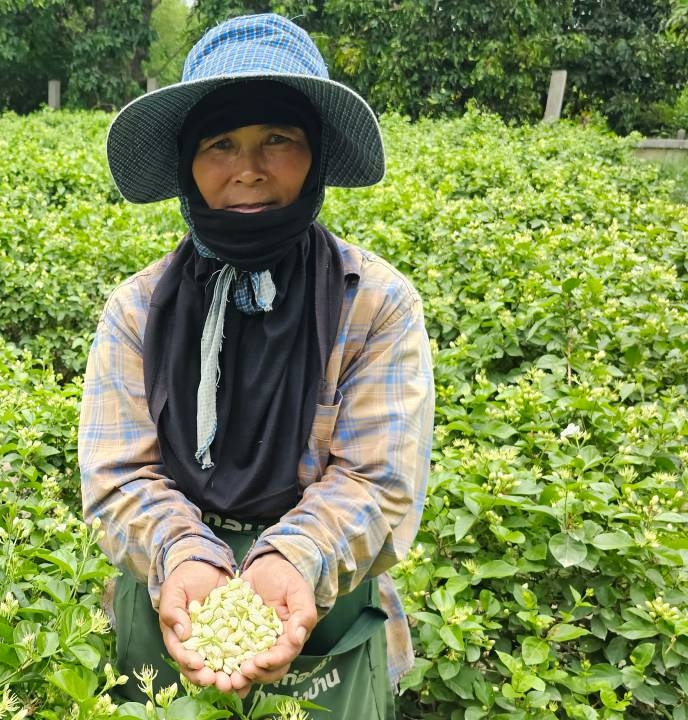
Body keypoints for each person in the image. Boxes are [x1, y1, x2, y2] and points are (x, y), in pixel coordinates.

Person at [79, 13, 435, 718]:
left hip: (318, 596)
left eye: (278, 138)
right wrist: (185, 556)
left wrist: (290, 561)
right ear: (188, 165)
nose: (248, 168)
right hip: (174, 598)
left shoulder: (376, 305)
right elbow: (118, 473)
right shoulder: (137, 311)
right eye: (220, 144)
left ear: (316, 158)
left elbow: (380, 478)